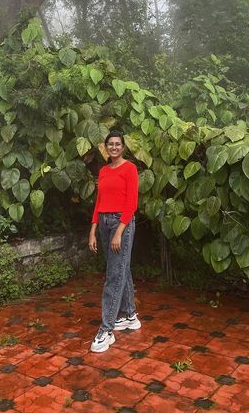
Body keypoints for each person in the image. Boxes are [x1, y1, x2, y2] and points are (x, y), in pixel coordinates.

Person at [88, 130, 140, 353]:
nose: (114, 147)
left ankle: (106, 329)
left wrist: (120, 231)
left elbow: (132, 202)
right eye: (110, 144)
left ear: (123, 147)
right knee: (120, 270)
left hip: (122, 222)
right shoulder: (102, 171)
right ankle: (130, 315)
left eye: (118, 144)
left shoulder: (130, 168)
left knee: (113, 275)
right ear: (106, 147)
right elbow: (99, 201)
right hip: (104, 221)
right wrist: (93, 230)